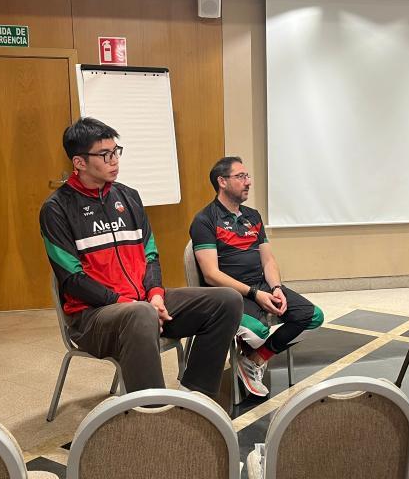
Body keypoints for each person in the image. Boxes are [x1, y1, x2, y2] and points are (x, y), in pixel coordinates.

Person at [40, 117, 241, 397]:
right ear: (79, 162)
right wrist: (130, 303)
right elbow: (73, 279)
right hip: (92, 317)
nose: (114, 160)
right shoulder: (56, 209)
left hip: (144, 303)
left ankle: (195, 394)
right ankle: (150, 411)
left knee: (227, 300)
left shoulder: (129, 197)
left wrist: (155, 296)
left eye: (116, 151)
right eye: (105, 154)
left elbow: (151, 256)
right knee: (140, 313)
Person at [189, 156, 324, 396]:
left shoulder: (253, 216)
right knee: (257, 332)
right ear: (222, 181)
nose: (248, 182)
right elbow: (211, 275)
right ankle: (251, 350)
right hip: (229, 295)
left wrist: (277, 288)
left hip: (261, 286)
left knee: (312, 316)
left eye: (247, 176)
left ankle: (254, 360)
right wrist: (254, 294)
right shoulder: (205, 220)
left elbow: (268, 260)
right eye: (241, 176)